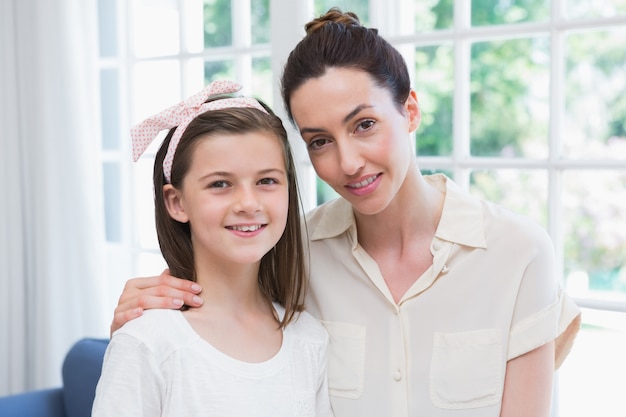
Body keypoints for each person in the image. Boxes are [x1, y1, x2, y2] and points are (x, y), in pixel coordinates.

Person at [109, 9, 581, 417]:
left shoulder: (518, 253)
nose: (348, 162)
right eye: (319, 141)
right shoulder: (293, 251)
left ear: (410, 110)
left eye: (365, 124)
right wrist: (143, 315)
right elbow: (220, 326)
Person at [92, 80, 333, 417]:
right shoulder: (148, 341)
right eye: (220, 184)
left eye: (267, 181)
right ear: (176, 202)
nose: (248, 203)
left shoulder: (308, 338)